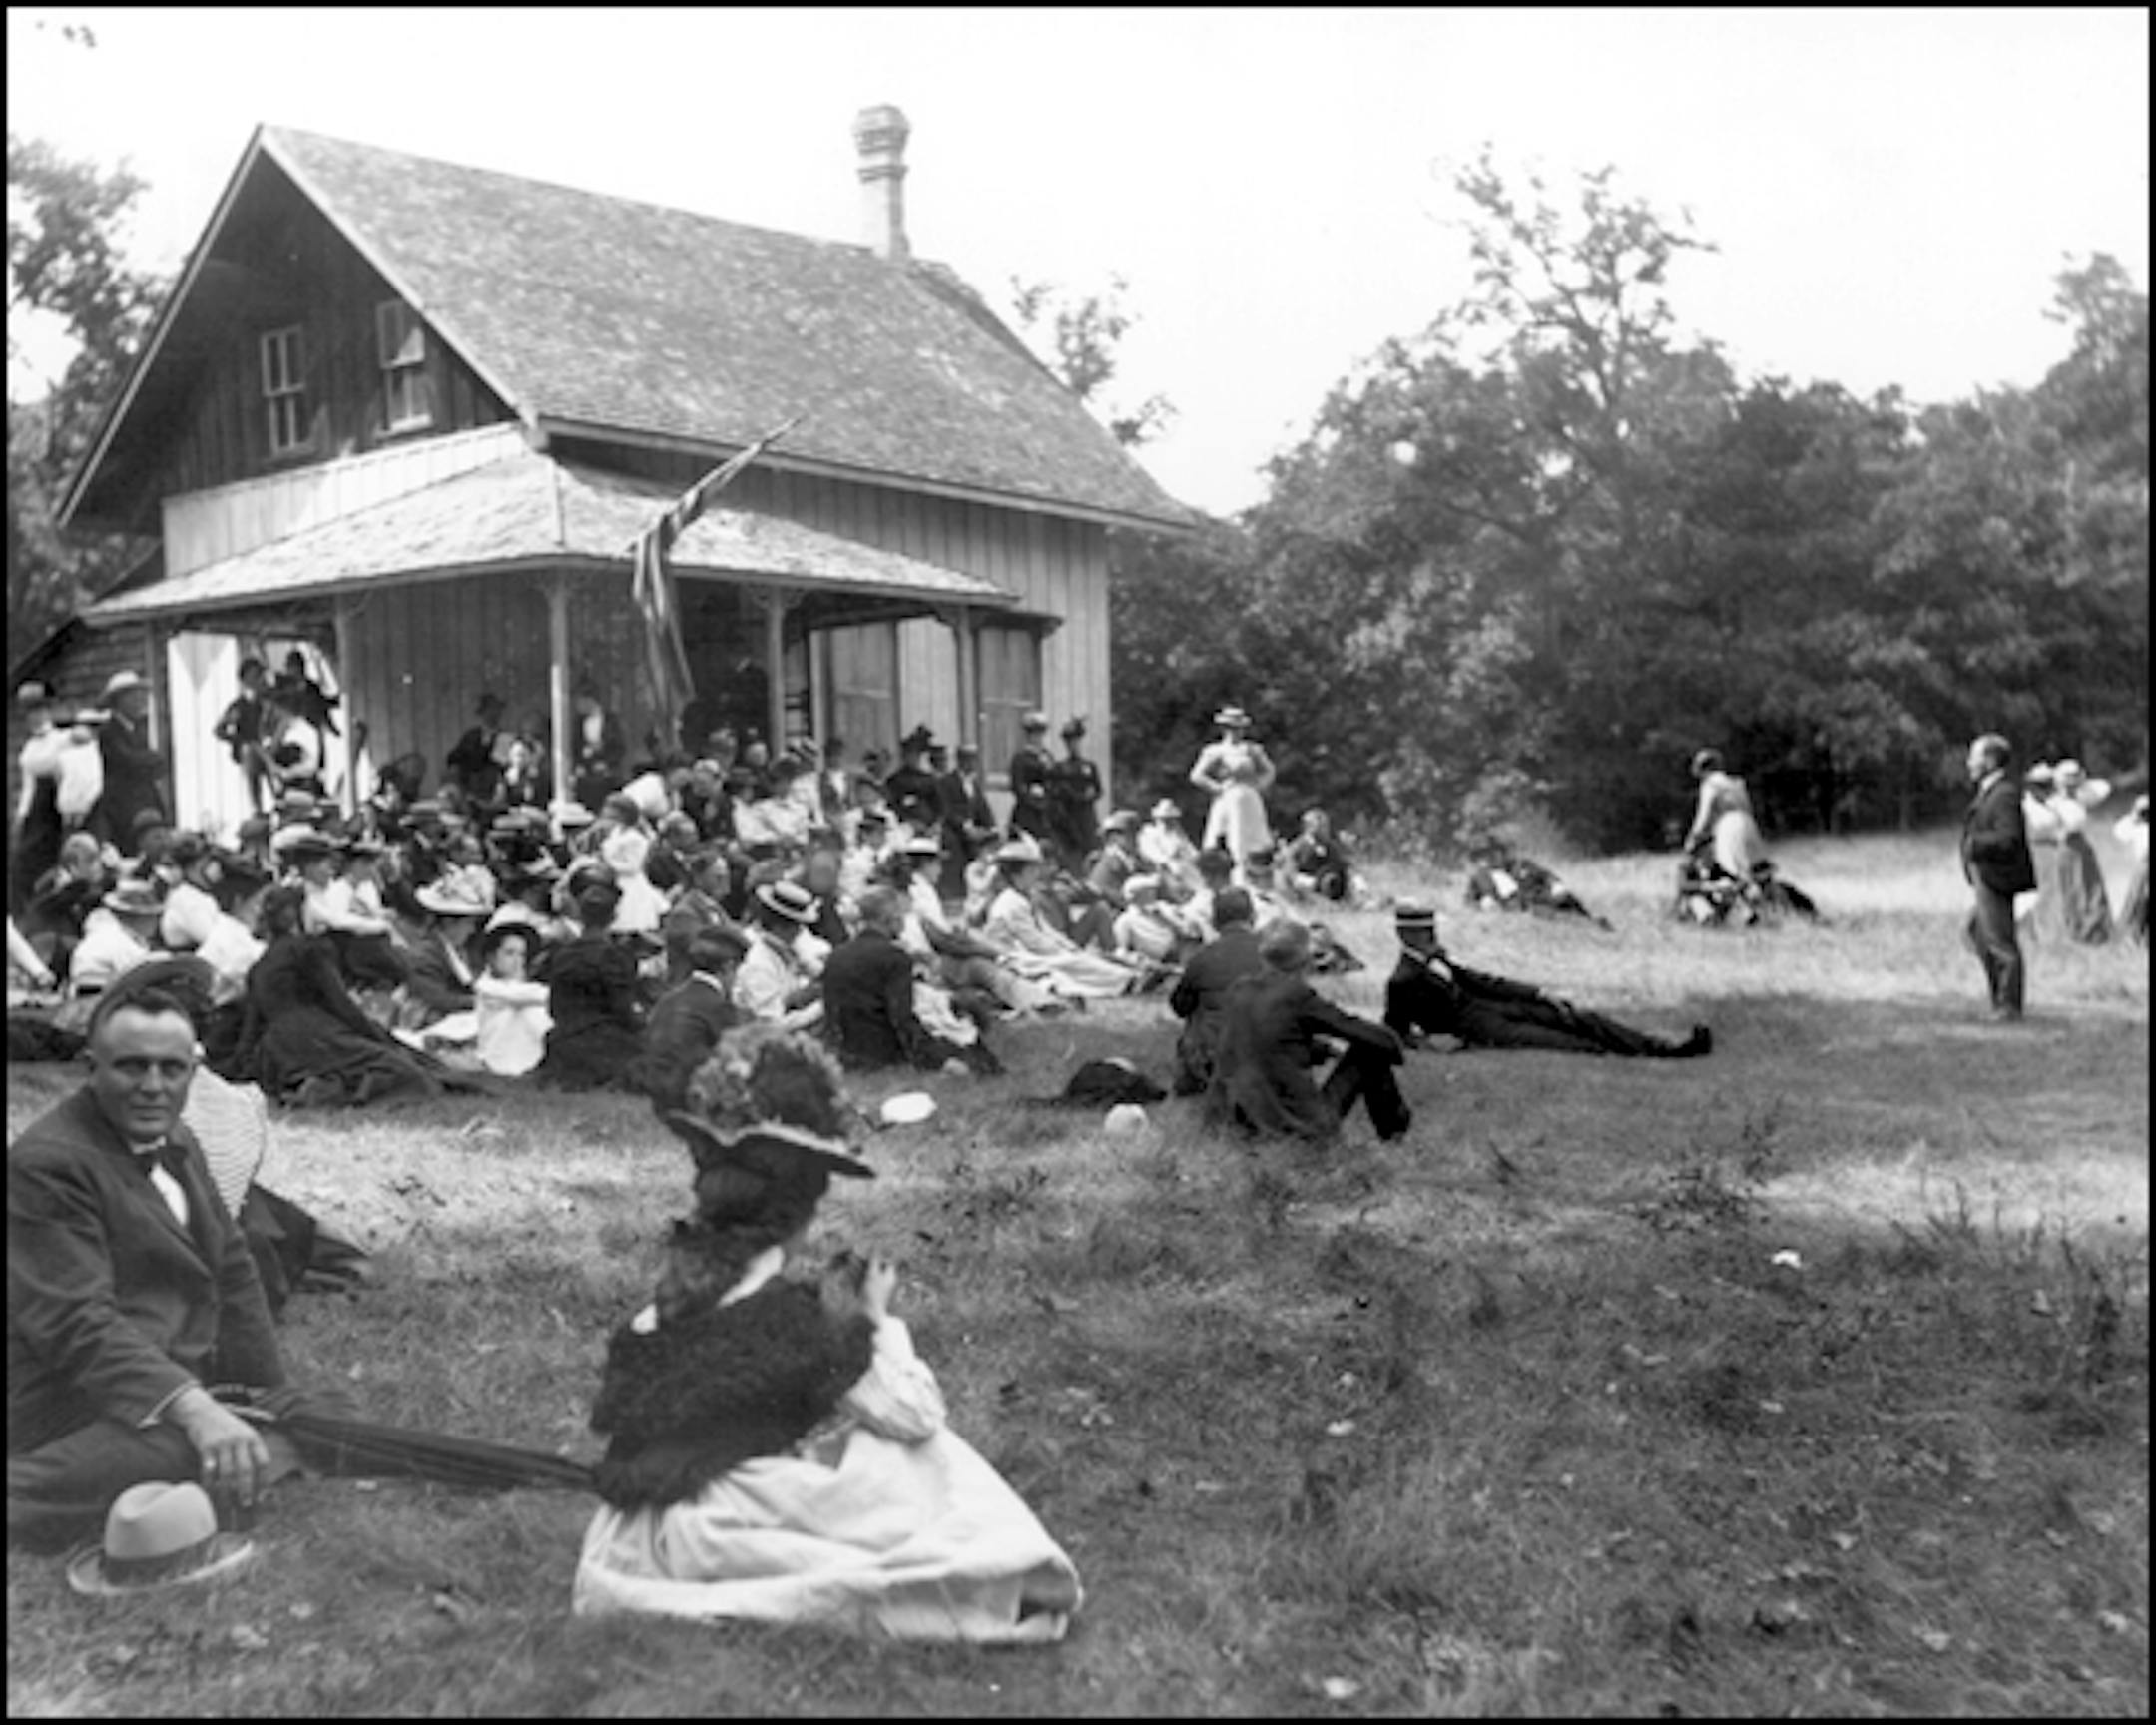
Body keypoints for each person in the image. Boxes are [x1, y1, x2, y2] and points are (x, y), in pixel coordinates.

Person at [573, 1029, 1083, 1638]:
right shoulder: (792, 1322)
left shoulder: (660, 1305)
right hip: (720, 1532)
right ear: (801, 1218)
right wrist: (876, 1319)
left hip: (635, 1533)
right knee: (923, 1451)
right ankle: (988, 1568)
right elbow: (915, 1414)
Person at [6, 984, 301, 1549]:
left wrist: (268, 1392)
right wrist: (194, 1409)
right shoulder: (47, 1165)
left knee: (307, 1416)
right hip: (65, 1398)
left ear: (193, 1071)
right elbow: (76, 1323)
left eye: (171, 1069)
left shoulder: (177, 1135)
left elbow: (232, 1267)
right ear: (91, 1068)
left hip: (166, 1370)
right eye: (131, 1067)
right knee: (184, 1449)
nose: (152, 1086)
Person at [1383, 903, 1711, 1057]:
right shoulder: (1401, 981)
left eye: (1432, 931)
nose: (1432, 938)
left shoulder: (1440, 960)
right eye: (1423, 933)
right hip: (1483, 1029)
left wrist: (1538, 993)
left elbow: (1487, 983)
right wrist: (1431, 1043)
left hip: (1499, 1008)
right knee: (1568, 1043)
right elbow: (1395, 1032)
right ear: (1404, 936)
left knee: (1577, 1016)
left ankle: (1665, 1047)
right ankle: (1630, 1052)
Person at [1204, 919, 1411, 1144]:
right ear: (1305, 957)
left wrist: (1325, 1050)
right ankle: (1395, 1135)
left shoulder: (1238, 991)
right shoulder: (1297, 995)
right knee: (1370, 1051)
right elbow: (1364, 1033)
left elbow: (1269, 1044)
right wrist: (1395, 1045)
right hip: (1296, 1127)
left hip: (1237, 1122)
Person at [237, 887, 444, 1107]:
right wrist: (375, 1035)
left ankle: (318, 1083)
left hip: (276, 1048)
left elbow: (250, 1028)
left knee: (362, 1063)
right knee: (407, 1071)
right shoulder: (309, 951)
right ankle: (329, 1090)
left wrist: (245, 1067)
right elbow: (341, 1004)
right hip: (317, 1034)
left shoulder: (258, 968)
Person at [820, 887, 996, 1075]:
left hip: (845, 1051)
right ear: (889, 920)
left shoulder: (837, 956)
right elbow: (902, 1019)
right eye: (901, 916)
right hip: (882, 1052)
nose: (904, 922)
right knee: (968, 1048)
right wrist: (938, 1060)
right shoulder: (895, 958)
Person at [983, 835, 1139, 1000]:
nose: (1036, 875)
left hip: (1032, 952)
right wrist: (1061, 952)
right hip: (1015, 957)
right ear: (1016, 876)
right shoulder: (1011, 903)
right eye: (1031, 871)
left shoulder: (1026, 897)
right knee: (1070, 964)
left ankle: (1128, 976)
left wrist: (1067, 946)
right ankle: (1124, 981)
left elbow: (1045, 929)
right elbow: (1033, 942)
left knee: (1080, 958)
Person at [531, 878, 649, 1091]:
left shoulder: (561, 956)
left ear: (580, 914)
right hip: (606, 1044)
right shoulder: (615, 958)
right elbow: (623, 1010)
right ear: (613, 917)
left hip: (564, 1042)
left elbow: (554, 1008)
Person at [1960, 733, 2037, 1022]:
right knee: (1979, 935)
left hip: (1996, 878)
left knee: (2000, 943)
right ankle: (2000, 1001)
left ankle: (2009, 1007)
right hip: (1986, 876)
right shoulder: (1991, 791)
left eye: (1974, 756)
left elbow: (2009, 838)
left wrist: (1974, 844)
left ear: (1991, 761)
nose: (1969, 763)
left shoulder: (2004, 794)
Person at [638, 924, 751, 1115]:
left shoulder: (668, 999)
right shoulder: (718, 1006)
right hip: (691, 1097)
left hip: (655, 1092)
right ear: (728, 967)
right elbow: (738, 1056)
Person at [1168, 887, 1267, 1096]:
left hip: (1217, 1060)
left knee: (1197, 1009)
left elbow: (1179, 1006)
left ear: (1214, 922)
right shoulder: (1274, 954)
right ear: (1253, 917)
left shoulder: (1202, 958)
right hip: (1272, 1056)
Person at [12, 680, 76, 914]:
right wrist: (21, 818)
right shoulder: (29, 747)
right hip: (36, 811)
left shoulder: (62, 739)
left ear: (49, 710)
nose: (35, 717)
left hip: (57, 805)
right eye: (30, 712)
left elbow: (69, 775)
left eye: (39, 710)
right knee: (22, 862)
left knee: (50, 859)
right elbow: (28, 786)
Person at [91, 671, 169, 856]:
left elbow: (157, 763)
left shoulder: (137, 730)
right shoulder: (109, 732)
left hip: (144, 804)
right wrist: (147, 760)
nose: (139, 700)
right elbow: (129, 761)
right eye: (132, 696)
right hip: (121, 809)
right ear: (118, 700)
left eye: (140, 695)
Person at [1190, 705, 1276, 873]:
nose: (1235, 732)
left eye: (1238, 728)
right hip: (1228, 796)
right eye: (1230, 728)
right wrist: (1217, 787)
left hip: (1248, 796)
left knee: (1255, 838)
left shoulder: (1252, 749)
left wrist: (1259, 785)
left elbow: (1269, 770)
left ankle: (1253, 868)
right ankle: (1231, 868)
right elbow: (1197, 775)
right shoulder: (1215, 751)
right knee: (1231, 834)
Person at [734, 879, 828, 1030]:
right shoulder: (758, 965)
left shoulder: (789, 950)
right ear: (780, 927)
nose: (799, 932)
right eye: (796, 926)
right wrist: (823, 1007)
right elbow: (771, 1026)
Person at [470, 920, 554, 1078]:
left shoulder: (529, 990)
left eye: (521, 955)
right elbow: (520, 995)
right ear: (491, 957)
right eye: (509, 953)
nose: (517, 961)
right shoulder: (486, 988)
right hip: (496, 1062)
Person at [2047, 759, 2114, 945]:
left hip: (2081, 846)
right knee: (2074, 888)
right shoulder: (2055, 802)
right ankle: (2079, 929)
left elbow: (2104, 787)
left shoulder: (2081, 797)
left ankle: (2096, 928)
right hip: (2067, 846)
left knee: (2090, 886)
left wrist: (2081, 783)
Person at [1681, 749, 1768, 885]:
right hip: (1748, 823)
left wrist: (1692, 838)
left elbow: (1703, 817)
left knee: (1733, 871)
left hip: (1728, 827)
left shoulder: (1710, 784)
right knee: (1754, 868)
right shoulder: (1736, 783)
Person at [213, 657, 274, 816]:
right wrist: (239, 741)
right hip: (250, 751)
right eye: (254, 675)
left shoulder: (267, 702)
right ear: (245, 679)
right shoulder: (239, 706)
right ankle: (257, 808)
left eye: (259, 675)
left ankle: (279, 802)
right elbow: (219, 730)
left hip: (269, 750)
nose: (258, 679)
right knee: (251, 756)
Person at [1046, 718, 1103, 875]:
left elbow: (1098, 790)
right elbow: (1056, 794)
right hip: (1069, 818)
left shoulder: (1089, 766)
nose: (1074, 745)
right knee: (1071, 857)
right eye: (1070, 742)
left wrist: (1088, 796)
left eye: (1076, 741)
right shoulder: (1059, 768)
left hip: (1087, 818)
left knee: (1092, 854)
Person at [445, 692, 511, 808]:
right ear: (482, 713)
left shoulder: (505, 737)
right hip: (468, 784)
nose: (492, 713)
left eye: (496, 709)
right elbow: (455, 757)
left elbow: (500, 764)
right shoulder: (471, 735)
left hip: (493, 785)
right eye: (488, 709)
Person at [570, 679, 626, 812]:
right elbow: (574, 747)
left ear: (589, 700)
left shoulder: (611, 720)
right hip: (585, 777)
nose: (577, 706)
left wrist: (607, 763)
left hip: (607, 776)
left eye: (579, 701)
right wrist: (579, 765)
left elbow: (619, 747)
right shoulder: (578, 722)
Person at [1284, 808, 1357, 903]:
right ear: (1308, 827)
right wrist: (1310, 882)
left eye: (1325, 826)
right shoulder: (1297, 847)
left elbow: (1343, 864)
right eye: (1320, 826)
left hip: (1330, 884)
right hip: (1307, 885)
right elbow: (1290, 874)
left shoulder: (1330, 845)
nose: (1324, 830)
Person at [1137, 796, 1202, 898]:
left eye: (1170, 819)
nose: (1167, 822)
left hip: (1185, 870)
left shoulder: (1178, 834)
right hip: (1162, 872)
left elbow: (1192, 852)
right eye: (1164, 819)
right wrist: (1170, 861)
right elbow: (1155, 856)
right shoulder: (1149, 834)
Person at [1007, 712, 1055, 845]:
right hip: (1027, 811)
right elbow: (1017, 785)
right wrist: (1031, 795)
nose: (1038, 738)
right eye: (1034, 734)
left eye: (1040, 734)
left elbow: (1053, 780)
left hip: (1046, 811)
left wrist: (1047, 795)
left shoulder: (1047, 757)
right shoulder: (1020, 758)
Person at [2114, 794, 2148, 946]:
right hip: (2143, 868)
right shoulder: (2138, 828)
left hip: (2143, 867)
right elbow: (2119, 832)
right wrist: (2133, 815)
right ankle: (2135, 937)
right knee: (2138, 903)